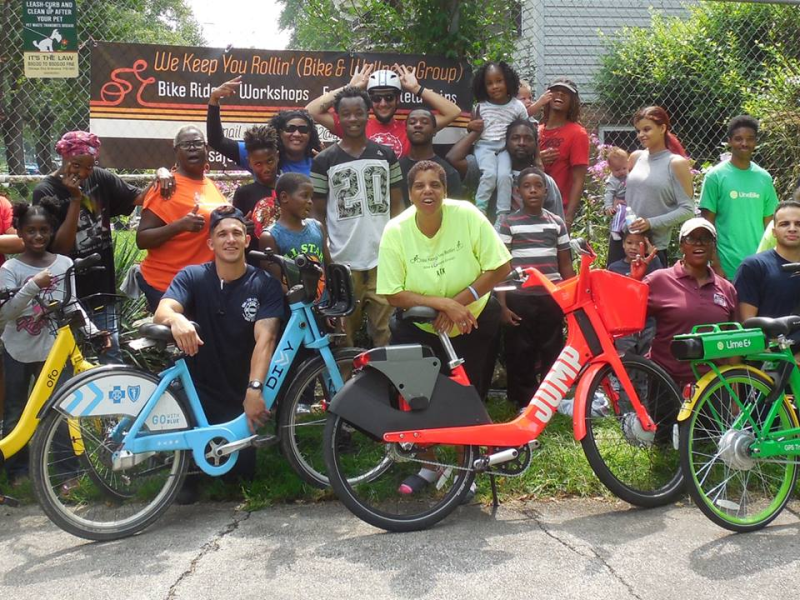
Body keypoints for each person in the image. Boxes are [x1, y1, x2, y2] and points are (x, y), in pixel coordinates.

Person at [154, 206, 285, 500]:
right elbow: (162, 310)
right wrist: (177, 320)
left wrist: (254, 389)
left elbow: (266, 338)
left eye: (237, 233)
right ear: (211, 243)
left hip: (237, 398)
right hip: (195, 397)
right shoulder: (193, 276)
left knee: (239, 480)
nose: (230, 239)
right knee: (184, 493)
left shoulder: (265, 285)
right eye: (222, 234)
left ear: (247, 241)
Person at [32, 131, 172, 362]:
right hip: (67, 290)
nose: (84, 173)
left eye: (89, 166)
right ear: (64, 158)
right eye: (77, 165)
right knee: (70, 357)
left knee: (110, 351)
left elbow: (139, 199)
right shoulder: (45, 191)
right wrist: (75, 199)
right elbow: (59, 249)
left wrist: (161, 173)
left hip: (101, 287)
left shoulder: (99, 178)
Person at [377, 160, 511, 400]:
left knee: (469, 395)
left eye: (435, 185)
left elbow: (501, 266)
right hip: (418, 325)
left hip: (472, 318)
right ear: (410, 194)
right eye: (419, 186)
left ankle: (470, 431)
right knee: (415, 397)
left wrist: (457, 304)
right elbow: (392, 293)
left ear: (445, 191)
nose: (427, 190)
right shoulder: (395, 230)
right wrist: (444, 305)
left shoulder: (467, 215)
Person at [310, 86, 404, 348]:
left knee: (385, 332)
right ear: (337, 117)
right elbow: (317, 212)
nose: (353, 119)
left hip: (382, 259)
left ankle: (384, 386)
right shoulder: (324, 161)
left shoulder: (385, 155)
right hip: (343, 261)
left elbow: (398, 207)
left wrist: (400, 251)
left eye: (359, 113)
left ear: (368, 114)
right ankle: (346, 386)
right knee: (344, 335)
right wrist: (327, 256)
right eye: (346, 114)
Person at [0, 203, 85, 482]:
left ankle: (67, 473)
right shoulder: (10, 268)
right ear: (20, 234)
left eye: (44, 230)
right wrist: (34, 284)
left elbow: (72, 303)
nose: (38, 236)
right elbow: (7, 312)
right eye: (31, 231)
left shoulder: (64, 264)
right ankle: (17, 471)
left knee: (62, 407)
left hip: (54, 350)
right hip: (18, 349)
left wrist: (92, 330)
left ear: (51, 232)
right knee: (16, 409)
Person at [496, 167, 574, 408]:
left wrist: (571, 301)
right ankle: (524, 399)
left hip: (550, 297)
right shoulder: (509, 224)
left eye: (537, 186)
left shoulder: (556, 223)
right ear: (518, 192)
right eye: (527, 186)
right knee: (521, 350)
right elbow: (501, 268)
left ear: (545, 190)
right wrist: (502, 306)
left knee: (553, 348)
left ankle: (552, 399)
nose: (532, 190)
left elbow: (565, 264)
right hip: (520, 297)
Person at [632, 218, 737, 388]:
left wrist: (734, 390)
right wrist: (634, 282)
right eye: (691, 238)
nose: (699, 243)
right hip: (666, 384)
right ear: (681, 246)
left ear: (713, 247)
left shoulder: (727, 289)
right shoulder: (659, 280)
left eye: (706, 238)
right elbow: (628, 317)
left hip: (713, 386)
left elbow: (734, 344)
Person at [136, 127, 229, 312]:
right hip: (169, 285)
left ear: (206, 148)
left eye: (197, 144)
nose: (192, 148)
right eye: (186, 145)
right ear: (176, 151)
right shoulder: (165, 188)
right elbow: (142, 239)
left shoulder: (209, 184)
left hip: (202, 283)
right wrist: (179, 226)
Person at [305, 64, 462, 159]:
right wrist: (349, 88)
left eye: (388, 97)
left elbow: (453, 112)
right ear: (369, 100)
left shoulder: (411, 128)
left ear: (398, 99)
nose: (383, 103)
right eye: (376, 98)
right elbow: (311, 110)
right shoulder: (355, 126)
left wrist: (417, 89)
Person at [699, 115, 779, 279]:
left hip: (759, 263)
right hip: (726, 265)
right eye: (738, 139)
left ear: (755, 142)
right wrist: (715, 263)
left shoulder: (764, 178)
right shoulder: (715, 176)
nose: (744, 143)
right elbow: (707, 225)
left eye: (750, 139)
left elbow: (770, 225)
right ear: (729, 141)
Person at [447, 119, 565, 221]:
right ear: (505, 142)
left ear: (536, 144)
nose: (521, 143)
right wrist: (476, 132)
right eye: (515, 138)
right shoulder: (488, 171)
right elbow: (453, 157)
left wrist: (538, 157)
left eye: (528, 138)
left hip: (531, 244)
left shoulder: (544, 181)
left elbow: (557, 222)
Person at [621, 106, 694, 266]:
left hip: (652, 248)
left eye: (647, 129)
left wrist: (650, 223)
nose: (641, 135)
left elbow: (688, 210)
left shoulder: (676, 163)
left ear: (662, 128)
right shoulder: (636, 157)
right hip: (625, 244)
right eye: (638, 130)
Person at [206, 77, 321, 176]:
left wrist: (327, 165)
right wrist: (214, 100)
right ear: (279, 133)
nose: (296, 134)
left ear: (310, 134)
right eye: (290, 129)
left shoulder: (318, 162)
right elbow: (217, 141)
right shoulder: (263, 155)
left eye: (303, 130)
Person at [734, 201, 800, 347]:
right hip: (771, 360)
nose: (792, 229)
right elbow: (747, 326)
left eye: (798, 224)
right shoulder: (753, 266)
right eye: (784, 224)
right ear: (773, 232)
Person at [260, 173, 331, 301]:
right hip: (295, 312)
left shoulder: (317, 227)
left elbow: (329, 265)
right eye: (304, 196)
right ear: (284, 197)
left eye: (311, 197)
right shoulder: (270, 237)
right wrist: (305, 301)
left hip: (323, 309)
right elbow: (276, 284)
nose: (310, 202)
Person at [470, 61, 528, 216]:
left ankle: (502, 214)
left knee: (504, 176)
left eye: (499, 81)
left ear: (508, 81)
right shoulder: (480, 107)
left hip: (505, 149)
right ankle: (480, 208)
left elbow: (527, 128)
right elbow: (472, 128)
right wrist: (471, 126)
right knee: (489, 174)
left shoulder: (517, 106)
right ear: (483, 87)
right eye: (489, 83)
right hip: (485, 147)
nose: (494, 86)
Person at [538, 78, 590, 229]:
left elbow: (578, 179)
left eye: (566, 92)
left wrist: (568, 217)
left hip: (558, 209)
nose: (560, 93)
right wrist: (537, 158)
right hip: (530, 207)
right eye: (555, 90)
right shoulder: (535, 130)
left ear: (573, 101)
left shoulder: (577, 133)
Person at [607, 227, 661, 358]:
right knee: (627, 359)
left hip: (648, 321)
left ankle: (646, 379)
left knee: (648, 357)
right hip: (624, 323)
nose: (633, 247)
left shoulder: (651, 265)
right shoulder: (614, 268)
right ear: (623, 244)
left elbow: (661, 281)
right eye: (630, 243)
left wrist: (652, 255)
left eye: (639, 244)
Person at [229, 124, 280, 263]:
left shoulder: (289, 186)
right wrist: (242, 227)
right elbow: (235, 229)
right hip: (256, 264)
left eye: (270, 161)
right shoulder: (244, 193)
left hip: (289, 261)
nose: (266, 168)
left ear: (277, 157)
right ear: (250, 163)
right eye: (258, 164)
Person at [399, 107, 463, 205]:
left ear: (434, 131)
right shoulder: (395, 169)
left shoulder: (448, 172)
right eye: (412, 122)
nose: (418, 125)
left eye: (424, 122)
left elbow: (455, 210)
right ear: (406, 130)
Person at [604, 147, 629, 243]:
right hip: (620, 201)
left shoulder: (628, 174)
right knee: (620, 211)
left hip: (630, 200)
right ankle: (615, 230)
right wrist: (609, 206)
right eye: (617, 170)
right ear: (610, 169)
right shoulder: (612, 181)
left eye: (624, 168)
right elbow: (609, 194)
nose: (622, 172)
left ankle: (624, 226)